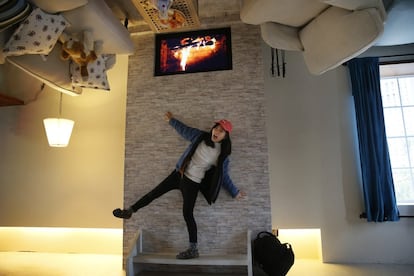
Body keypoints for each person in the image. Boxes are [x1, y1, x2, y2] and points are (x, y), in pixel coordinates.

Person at [113, 111, 246, 259]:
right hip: (178, 174)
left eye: (221, 131)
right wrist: (171, 120)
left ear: (226, 136)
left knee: (187, 214)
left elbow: (224, 177)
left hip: (193, 183)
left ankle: (193, 249)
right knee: (154, 193)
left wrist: (234, 192)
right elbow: (185, 130)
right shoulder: (200, 137)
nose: (217, 131)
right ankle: (130, 211)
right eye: (216, 128)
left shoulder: (222, 156)